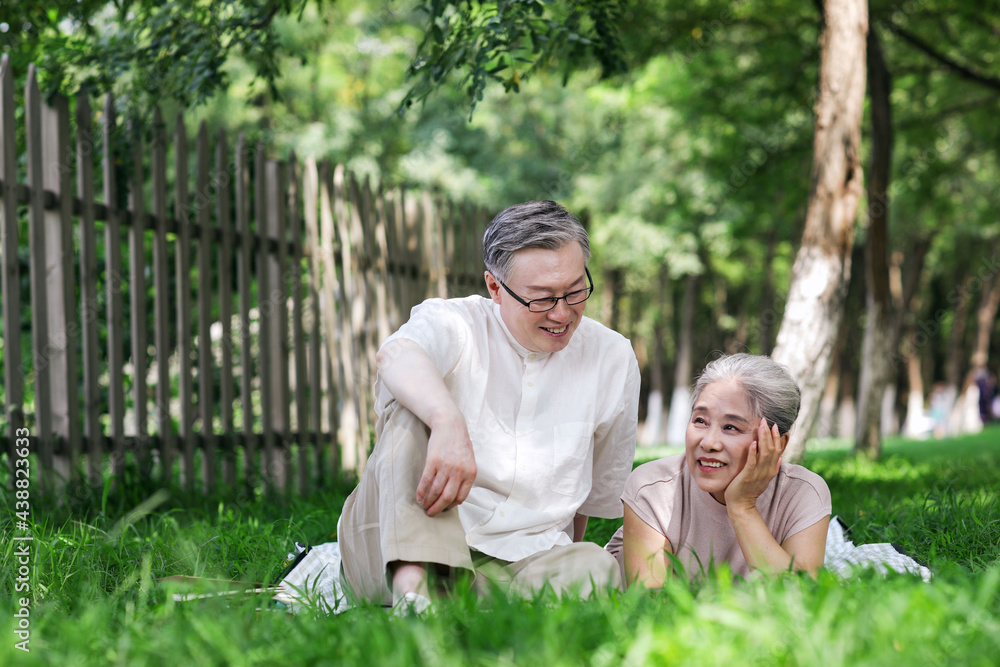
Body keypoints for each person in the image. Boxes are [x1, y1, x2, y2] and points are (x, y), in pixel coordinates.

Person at [337, 200, 641, 612]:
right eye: (542, 298)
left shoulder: (612, 356)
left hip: (521, 562)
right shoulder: (455, 323)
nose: (563, 312)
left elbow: (587, 501)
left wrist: (564, 555)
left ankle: (461, 607)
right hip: (397, 546)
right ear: (495, 288)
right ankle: (414, 598)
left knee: (597, 567)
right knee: (413, 403)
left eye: (574, 291)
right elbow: (397, 354)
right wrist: (446, 421)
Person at [606, 353, 831, 587]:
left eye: (731, 427)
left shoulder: (803, 494)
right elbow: (651, 604)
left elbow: (801, 598)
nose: (708, 443)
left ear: (777, 444)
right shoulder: (651, 487)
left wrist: (742, 507)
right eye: (700, 421)